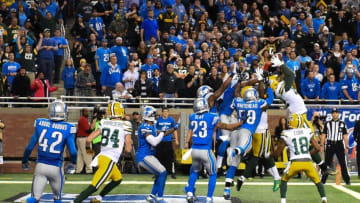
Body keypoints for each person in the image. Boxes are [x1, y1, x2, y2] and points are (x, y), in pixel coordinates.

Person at [184, 98, 244, 203]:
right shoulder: (212, 117)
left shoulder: (192, 117)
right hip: (206, 150)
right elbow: (227, 127)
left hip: (195, 150)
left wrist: (186, 143)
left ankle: (189, 193)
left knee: (194, 172)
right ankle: (209, 198)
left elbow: (189, 132)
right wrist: (241, 123)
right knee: (213, 174)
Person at [74, 101, 133, 203]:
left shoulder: (104, 122)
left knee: (117, 179)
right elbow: (128, 148)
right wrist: (126, 153)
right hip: (109, 160)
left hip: (102, 157)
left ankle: (98, 198)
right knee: (94, 186)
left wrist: (90, 152)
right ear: (121, 111)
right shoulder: (126, 124)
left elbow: (88, 140)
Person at [22, 99, 77, 203]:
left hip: (40, 166)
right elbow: (73, 152)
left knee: (34, 199)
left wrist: (24, 161)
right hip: (56, 167)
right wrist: (73, 163)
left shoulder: (40, 123)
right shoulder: (68, 127)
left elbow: (29, 147)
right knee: (57, 198)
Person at [224, 85, 272, 200]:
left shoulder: (238, 101)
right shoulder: (259, 103)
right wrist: (269, 87)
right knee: (246, 147)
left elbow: (234, 99)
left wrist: (239, 84)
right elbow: (270, 100)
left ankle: (227, 189)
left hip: (236, 131)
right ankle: (234, 151)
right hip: (246, 131)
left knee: (234, 163)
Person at [271, 114, 327, 203]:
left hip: (295, 163)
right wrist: (308, 154)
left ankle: (283, 201)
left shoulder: (287, 133)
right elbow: (317, 148)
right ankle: (324, 199)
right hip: (308, 162)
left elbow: (278, 152)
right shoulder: (307, 131)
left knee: (284, 180)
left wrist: (271, 155)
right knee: (317, 181)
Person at [136, 106, 178, 203]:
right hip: (144, 156)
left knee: (160, 174)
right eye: (154, 114)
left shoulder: (152, 126)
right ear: (149, 115)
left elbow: (163, 133)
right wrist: (162, 134)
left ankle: (151, 196)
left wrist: (174, 128)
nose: (155, 116)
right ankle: (160, 198)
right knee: (163, 172)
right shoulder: (144, 127)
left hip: (149, 155)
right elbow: (154, 142)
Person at [320, 108, 351, 185]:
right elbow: (324, 135)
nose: (335, 114)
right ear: (331, 114)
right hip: (330, 144)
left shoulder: (342, 123)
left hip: (339, 144)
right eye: (333, 113)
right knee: (327, 163)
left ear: (338, 114)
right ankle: (323, 180)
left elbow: (345, 136)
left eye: (336, 112)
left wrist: (346, 146)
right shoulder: (327, 123)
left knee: (343, 163)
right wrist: (321, 145)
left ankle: (347, 180)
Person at [155, 107, 179, 179]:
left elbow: (174, 130)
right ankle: (158, 173)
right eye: (164, 111)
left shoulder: (171, 120)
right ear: (162, 112)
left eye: (167, 111)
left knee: (170, 158)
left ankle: (172, 172)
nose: (165, 113)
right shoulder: (158, 120)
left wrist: (176, 139)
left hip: (168, 141)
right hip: (160, 141)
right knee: (159, 158)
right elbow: (155, 130)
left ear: (168, 112)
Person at [75, 108, 93, 174]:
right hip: (84, 139)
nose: (87, 113)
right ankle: (89, 169)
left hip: (80, 138)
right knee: (88, 154)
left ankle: (78, 170)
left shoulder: (82, 119)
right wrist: (93, 125)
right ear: (83, 112)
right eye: (86, 112)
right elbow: (88, 130)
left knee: (80, 155)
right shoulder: (83, 119)